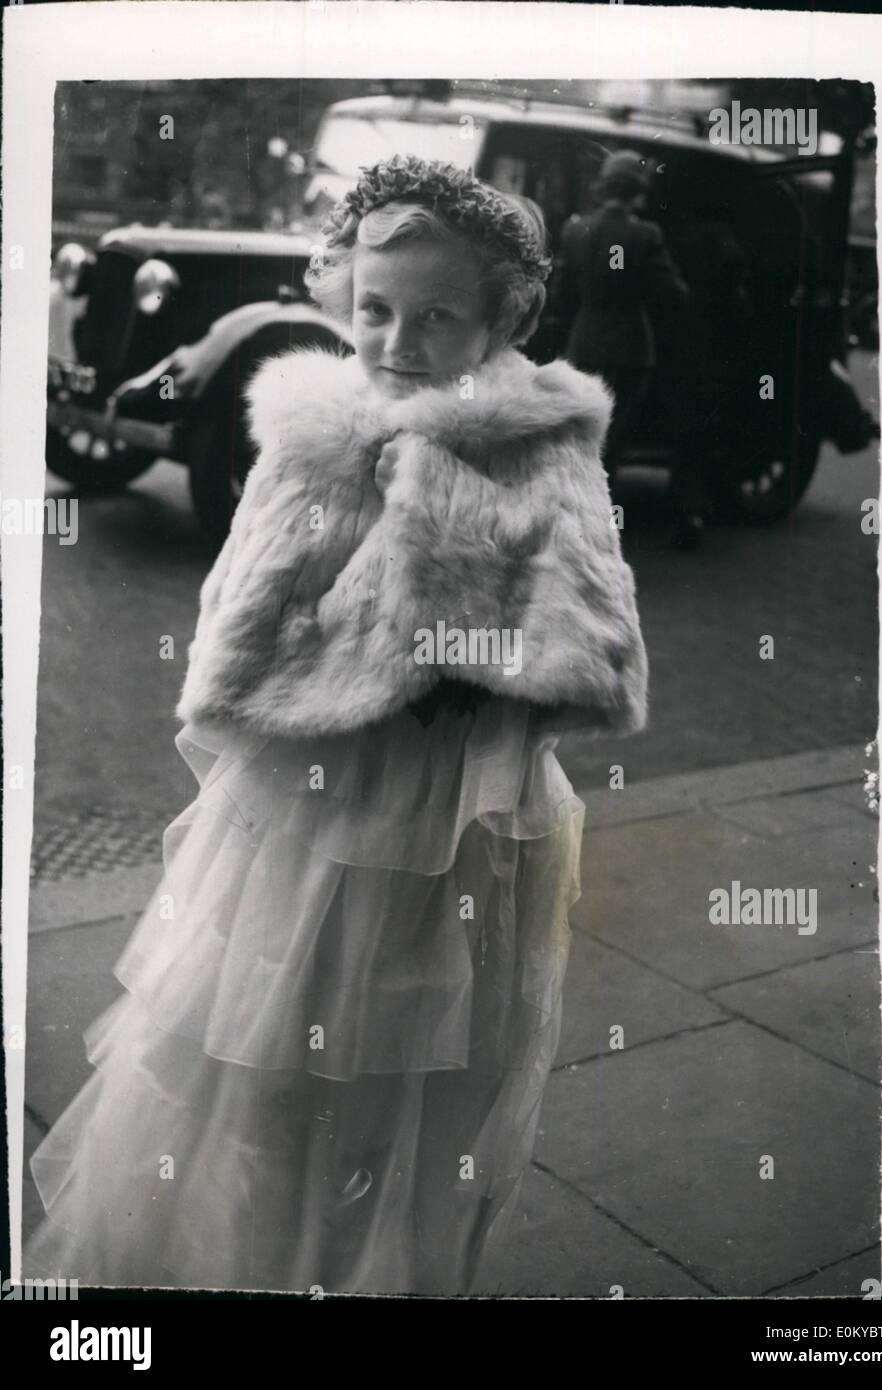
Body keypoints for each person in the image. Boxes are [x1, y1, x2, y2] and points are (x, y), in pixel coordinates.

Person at [23, 155, 648, 1297]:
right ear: (338, 297)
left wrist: (489, 661)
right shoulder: (313, 433)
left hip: (462, 813)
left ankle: (380, 1273)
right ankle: (256, 1261)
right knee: (261, 1076)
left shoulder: (545, 446)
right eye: (372, 310)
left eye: (437, 316)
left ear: (503, 318)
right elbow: (241, 614)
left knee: (428, 1084)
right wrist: (327, 659)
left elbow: (593, 638)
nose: (397, 341)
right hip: (311, 817)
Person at [555, 150, 704, 549]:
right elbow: (672, 296)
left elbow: (562, 296)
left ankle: (574, 520)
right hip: (629, 350)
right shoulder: (646, 236)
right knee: (613, 438)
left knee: (582, 434)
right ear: (638, 191)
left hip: (583, 344)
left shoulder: (575, 231)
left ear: (604, 187)